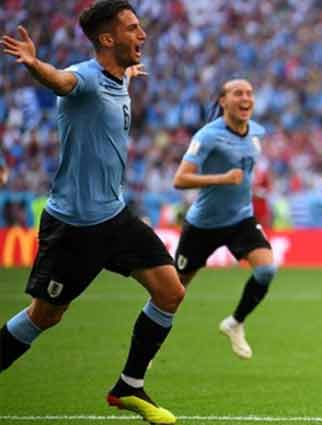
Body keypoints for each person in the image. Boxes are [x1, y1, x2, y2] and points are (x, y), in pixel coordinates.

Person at [0, 2, 184, 424]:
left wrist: (129, 73)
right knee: (45, 316)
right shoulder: (83, 78)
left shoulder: (119, 77)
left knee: (170, 291)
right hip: (73, 227)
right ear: (107, 38)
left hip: (115, 217)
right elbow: (61, 81)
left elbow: (114, 80)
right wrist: (35, 65)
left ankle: (129, 386)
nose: (143, 35)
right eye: (133, 28)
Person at [172, 79, 276, 360]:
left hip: (241, 219)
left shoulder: (257, 131)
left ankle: (235, 323)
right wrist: (223, 178)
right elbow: (180, 179)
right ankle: (148, 344)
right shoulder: (208, 136)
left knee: (266, 270)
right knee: (172, 292)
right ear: (223, 101)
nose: (246, 98)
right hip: (203, 225)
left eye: (249, 93)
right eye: (238, 93)